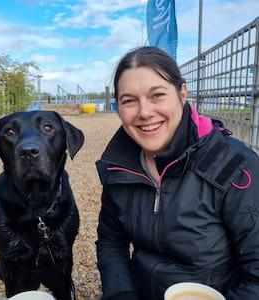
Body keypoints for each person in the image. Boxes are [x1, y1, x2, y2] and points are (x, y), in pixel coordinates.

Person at [95, 46, 259, 300]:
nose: (145, 112)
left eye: (157, 95)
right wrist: (121, 293)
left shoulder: (235, 165)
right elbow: (110, 241)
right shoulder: (118, 166)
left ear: (182, 93)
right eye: (129, 101)